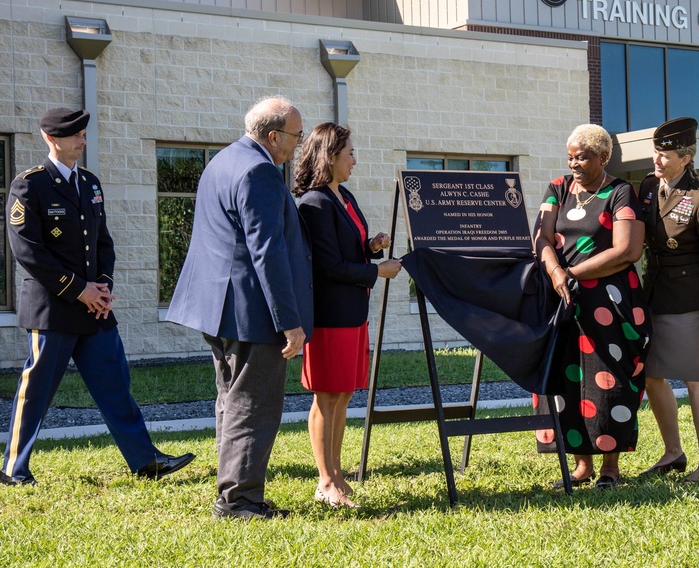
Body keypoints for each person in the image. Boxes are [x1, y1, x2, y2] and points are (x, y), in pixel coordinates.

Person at [1, 108, 194, 486]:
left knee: (115, 385)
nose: (83, 141)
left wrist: (101, 286)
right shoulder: (29, 185)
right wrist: (79, 290)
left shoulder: (90, 183)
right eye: (75, 136)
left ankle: (145, 460)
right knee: (36, 389)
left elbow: (103, 243)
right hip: (53, 310)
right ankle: (13, 468)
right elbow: (28, 251)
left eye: (84, 134)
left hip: (95, 309)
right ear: (51, 139)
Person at [166, 96, 313, 519]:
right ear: (273, 136)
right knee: (253, 405)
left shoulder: (222, 161)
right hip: (250, 312)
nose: (298, 143)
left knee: (231, 402)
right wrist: (290, 322)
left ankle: (233, 492)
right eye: (295, 135)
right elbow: (267, 252)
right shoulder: (260, 171)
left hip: (218, 308)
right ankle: (239, 501)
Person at [534, 123, 649, 490]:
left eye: (581, 157)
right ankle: (580, 465)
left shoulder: (621, 192)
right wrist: (555, 272)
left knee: (610, 377)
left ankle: (610, 468)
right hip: (562, 299)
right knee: (565, 377)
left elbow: (627, 250)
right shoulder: (557, 189)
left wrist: (571, 272)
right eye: (570, 157)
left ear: (602, 156)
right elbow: (541, 235)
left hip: (609, 302)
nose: (574, 164)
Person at [292, 123, 401, 509]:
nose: (355, 159)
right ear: (330, 156)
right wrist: (377, 271)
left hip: (353, 313)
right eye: (350, 153)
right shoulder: (314, 203)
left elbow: (348, 250)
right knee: (327, 397)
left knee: (344, 394)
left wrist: (370, 247)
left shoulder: (345, 196)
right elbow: (327, 266)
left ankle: (337, 474)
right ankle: (325, 482)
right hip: (329, 317)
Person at [638, 117, 699, 482]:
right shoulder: (649, 188)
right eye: (655, 153)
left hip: (690, 301)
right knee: (652, 375)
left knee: (695, 378)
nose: (657, 161)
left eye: (664, 155)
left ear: (685, 158)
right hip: (655, 296)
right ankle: (673, 453)